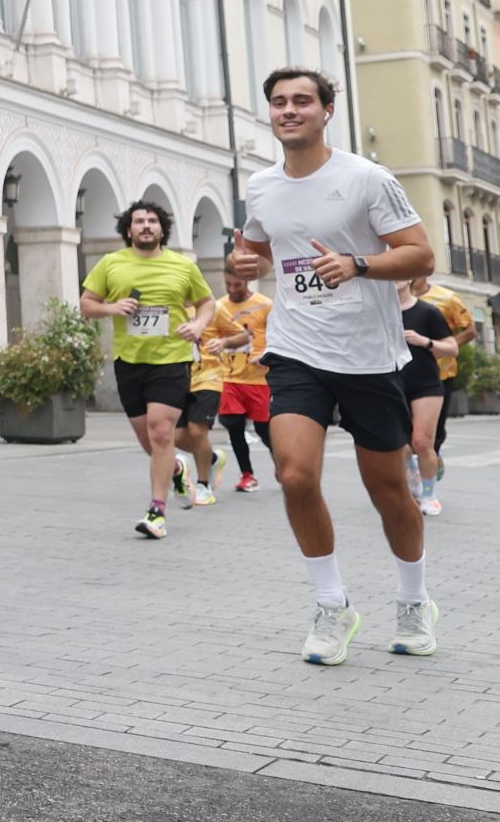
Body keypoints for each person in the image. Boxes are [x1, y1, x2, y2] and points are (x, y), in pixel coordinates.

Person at [228, 66, 438, 665]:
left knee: (389, 489)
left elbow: (420, 252)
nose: (288, 110)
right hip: (296, 350)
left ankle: (414, 600)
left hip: (370, 357)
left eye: (301, 101)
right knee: (294, 475)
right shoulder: (263, 186)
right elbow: (261, 247)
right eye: (277, 102)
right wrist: (242, 266)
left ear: (326, 111)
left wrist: (358, 265)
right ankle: (331, 604)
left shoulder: (367, 179)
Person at [79, 198, 217, 539]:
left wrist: (198, 327)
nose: (145, 226)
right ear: (129, 230)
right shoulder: (112, 264)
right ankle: (176, 466)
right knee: (150, 442)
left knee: (160, 431)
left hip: (171, 359)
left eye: (152, 221)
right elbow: (86, 304)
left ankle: (157, 511)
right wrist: (112, 308)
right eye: (139, 221)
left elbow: (207, 303)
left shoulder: (182, 266)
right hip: (129, 362)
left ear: (161, 229)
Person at [176, 301, 248, 509]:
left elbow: (243, 335)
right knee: (175, 437)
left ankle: (203, 485)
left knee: (197, 431)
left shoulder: (212, 307)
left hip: (209, 377)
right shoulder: (169, 305)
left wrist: (224, 343)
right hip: (178, 378)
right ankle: (212, 458)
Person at [398, 279, 456, 517]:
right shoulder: (379, 313)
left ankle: (430, 496)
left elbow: (452, 348)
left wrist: (426, 342)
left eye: (399, 274)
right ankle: (412, 475)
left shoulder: (427, 311)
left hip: (426, 384)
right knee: (398, 445)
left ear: (410, 278)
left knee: (422, 442)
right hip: (390, 384)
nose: (393, 279)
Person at [413, 276, 475, 483]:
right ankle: (415, 475)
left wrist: (440, 347)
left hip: (441, 374)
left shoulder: (447, 298)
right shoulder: (395, 296)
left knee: (433, 431)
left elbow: (470, 330)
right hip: (406, 373)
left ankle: (432, 461)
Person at [216, 273, 274, 492]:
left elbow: (279, 334)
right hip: (230, 377)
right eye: (228, 284)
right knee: (234, 425)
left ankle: (281, 463)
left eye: (237, 284)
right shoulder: (219, 306)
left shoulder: (265, 305)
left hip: (258, 378)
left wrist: (268, 355)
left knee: (263, 429)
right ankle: (247, 475)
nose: (232, 289)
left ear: (247, 281)